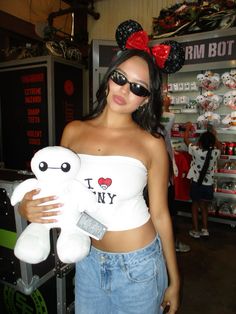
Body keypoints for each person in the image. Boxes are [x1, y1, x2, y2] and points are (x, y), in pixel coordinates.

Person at [17, 49, 180, 313]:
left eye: (138, 87)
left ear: (146, 100)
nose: (125, 90)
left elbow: (160, 214)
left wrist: (175, 280)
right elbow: (57, 188)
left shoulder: (152, 142)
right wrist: (27, 207)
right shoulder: (74, 131)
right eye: (120, 78)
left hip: (139, 265)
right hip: (88, 259)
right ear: (108, 79)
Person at [161, 95, 190, 253]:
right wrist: (166, 106)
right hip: (164, 177)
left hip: (152, 179)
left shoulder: (141, 120)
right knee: (168, 212)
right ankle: (171, 244)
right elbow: (168, 117)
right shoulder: (167, 117)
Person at [184, 123, 221, 238]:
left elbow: (185, 140)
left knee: (195, 206)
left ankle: (195, 230)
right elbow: (219, 146)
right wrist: (214, 135)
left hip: (196, 184)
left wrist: (188, 128)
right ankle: (205, 229)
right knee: (204, 207)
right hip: (208, 185)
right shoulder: (215, 153)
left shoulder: (196, 150)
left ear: (200, 142)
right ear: (212, 142)